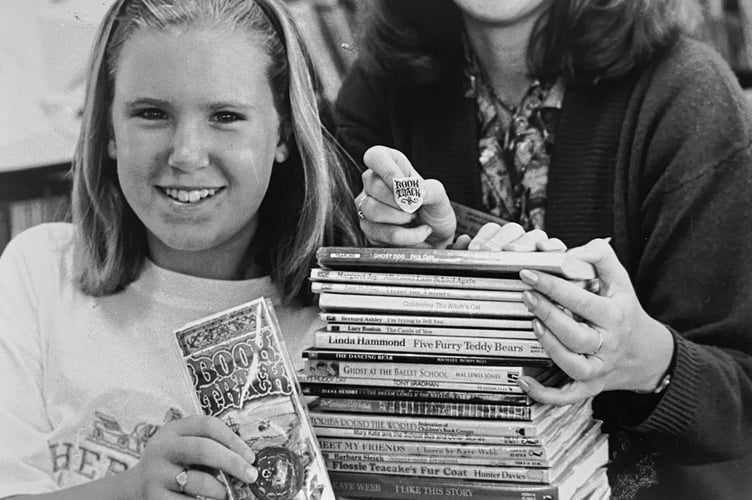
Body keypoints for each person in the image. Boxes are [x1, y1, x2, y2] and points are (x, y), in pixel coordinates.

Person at [334, 0, 752, 498]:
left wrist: (644, 359)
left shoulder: (687, 89)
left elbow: (740, 396)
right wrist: (426, 260)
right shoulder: (379, 87)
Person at [0, 0, 362, 498]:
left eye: (226, 116)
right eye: (151, 114)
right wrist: (134, 489)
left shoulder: (340, 321)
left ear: (284, 132)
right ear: (108, 130)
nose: (187, 154)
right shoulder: (38, 272)